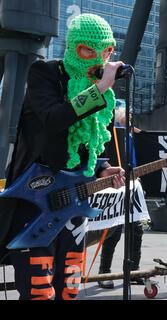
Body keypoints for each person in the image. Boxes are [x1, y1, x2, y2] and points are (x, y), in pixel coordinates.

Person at [0, 14, 125, 300]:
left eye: (106, 51)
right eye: (88, 50)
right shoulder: (45, 73)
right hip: (36, 197)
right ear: (74, 48)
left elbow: (88, 145)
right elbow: (54, 119)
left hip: (72, 204)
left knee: (69, 286)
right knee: (38, 290)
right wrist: (100, 88)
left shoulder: (98, 92)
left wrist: (102, 168)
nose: (98, 58)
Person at [97, 109, 144, 289]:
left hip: (134, 185)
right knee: (113, 230)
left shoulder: (132, 137)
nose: (130, 120)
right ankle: (104, 271)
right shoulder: (112, 136)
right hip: (116, 185)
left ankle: (134, 270)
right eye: (127, 118)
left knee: (136, 230)